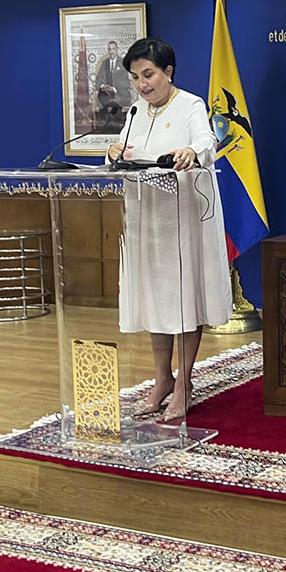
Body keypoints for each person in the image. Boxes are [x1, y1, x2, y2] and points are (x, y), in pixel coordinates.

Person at [107, 38, 231, 421]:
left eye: (148, 75)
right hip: (146, 219)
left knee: (182, 299)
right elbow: (125, 151)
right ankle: (162, 378)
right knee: (156, 299)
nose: (142, 84)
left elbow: (206, 142)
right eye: (135, 78)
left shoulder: (190, 104)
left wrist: (192, 152)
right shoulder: (135, 112)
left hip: (182, 220)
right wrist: (113, 152)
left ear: (168, 72)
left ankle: (184, 383)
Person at [95, 40, 133, 117]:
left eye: (113, 49)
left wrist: (114, 89)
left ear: (117, 50)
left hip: (119, 92)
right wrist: (103, 86)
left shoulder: (122, 62)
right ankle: (107, 120)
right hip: (106, 94)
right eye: (109, 49)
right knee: (103, 100)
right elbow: (98, 78)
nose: (111, 51)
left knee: (115, 104)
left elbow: (125, 81)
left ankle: (114, 120)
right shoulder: (104, 63)